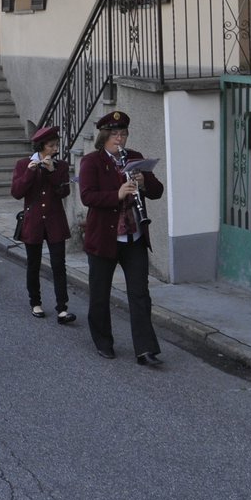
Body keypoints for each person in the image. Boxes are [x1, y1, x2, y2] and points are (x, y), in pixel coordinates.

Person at [78, 110, 166, 365]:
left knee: (140, 294)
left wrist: (144, 182)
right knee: (100, 293)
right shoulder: (92, 162)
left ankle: (145, 349)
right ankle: (103, 342)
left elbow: (158, 192)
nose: (120, 139)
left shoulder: (135, 158)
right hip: (105, 238)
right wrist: (116, 194)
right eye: (115, 134)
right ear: (104, 136)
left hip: (134, 237)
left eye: (123, 134)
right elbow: (88, 197)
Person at [12, 125, 77, 324]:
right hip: (33, 222)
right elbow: (16, 192)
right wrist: (31, 172)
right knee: (33, 264)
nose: (55, 149)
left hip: (55, 221)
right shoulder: (24, 164)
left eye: (56, 145)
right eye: (51, 146)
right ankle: (35, 302)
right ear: (41, 146)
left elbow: (63, 192)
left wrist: (51, 172)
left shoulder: (61, 166)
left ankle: (62, 308)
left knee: (59, 265)